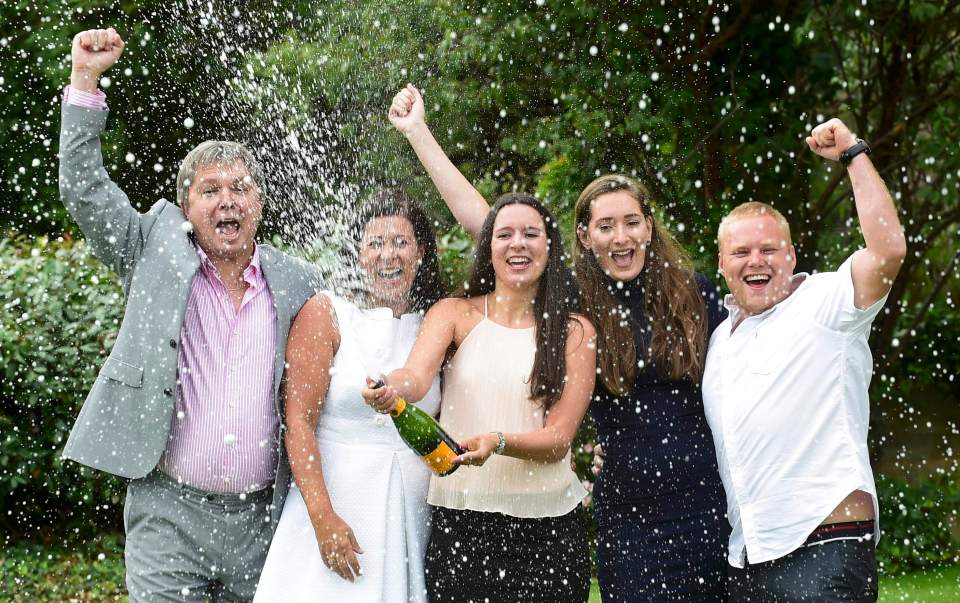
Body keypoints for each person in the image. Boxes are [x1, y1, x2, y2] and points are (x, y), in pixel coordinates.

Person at [388, 84, 729, 601]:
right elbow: (492, 226)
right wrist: (419, 134)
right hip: (626, 505)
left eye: (632, 223)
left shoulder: (693, 295)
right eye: (606, 226)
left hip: (699, 494)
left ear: (650, 228)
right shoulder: (578, 301)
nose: (620, 237)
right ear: (584, 236)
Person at [59, 28, 318, 601]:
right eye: (211, 189)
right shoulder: (151, 248)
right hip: (167, 511)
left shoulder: (299, 282)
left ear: (259, 204)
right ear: (186, 207)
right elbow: (82, 188)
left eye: (241, 188)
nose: (228, 199)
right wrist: (85, 81)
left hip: (261, 521)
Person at [702, 119, 906, 601]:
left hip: (825, 548)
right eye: (742, 251)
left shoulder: (826, 304)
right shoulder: (718, 342)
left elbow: (888, 250)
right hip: (748, 557)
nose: (757, 260)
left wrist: (854, 153)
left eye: (769, 249)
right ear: (721, 264)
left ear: (791, 256)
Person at [363, 194, 596, 602]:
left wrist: (498, 441)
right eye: (504, 234)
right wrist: (388, 386)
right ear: (488, 247)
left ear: (549, 246)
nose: (517, 243)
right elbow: (415, 378)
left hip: (549, 532)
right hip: (462, 527)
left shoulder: (574, 331)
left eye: (530, 234)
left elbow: (559, 439)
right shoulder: (453, 313)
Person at [254, 191, 444, 602]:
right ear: (358, 255)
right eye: (374, 244)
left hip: (411, 513)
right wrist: (323, 519)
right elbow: (299, 424)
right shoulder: (328, 312)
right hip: (337, 502)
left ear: (421, 251)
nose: (387, 256)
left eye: (399, 242)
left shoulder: (437, 324)